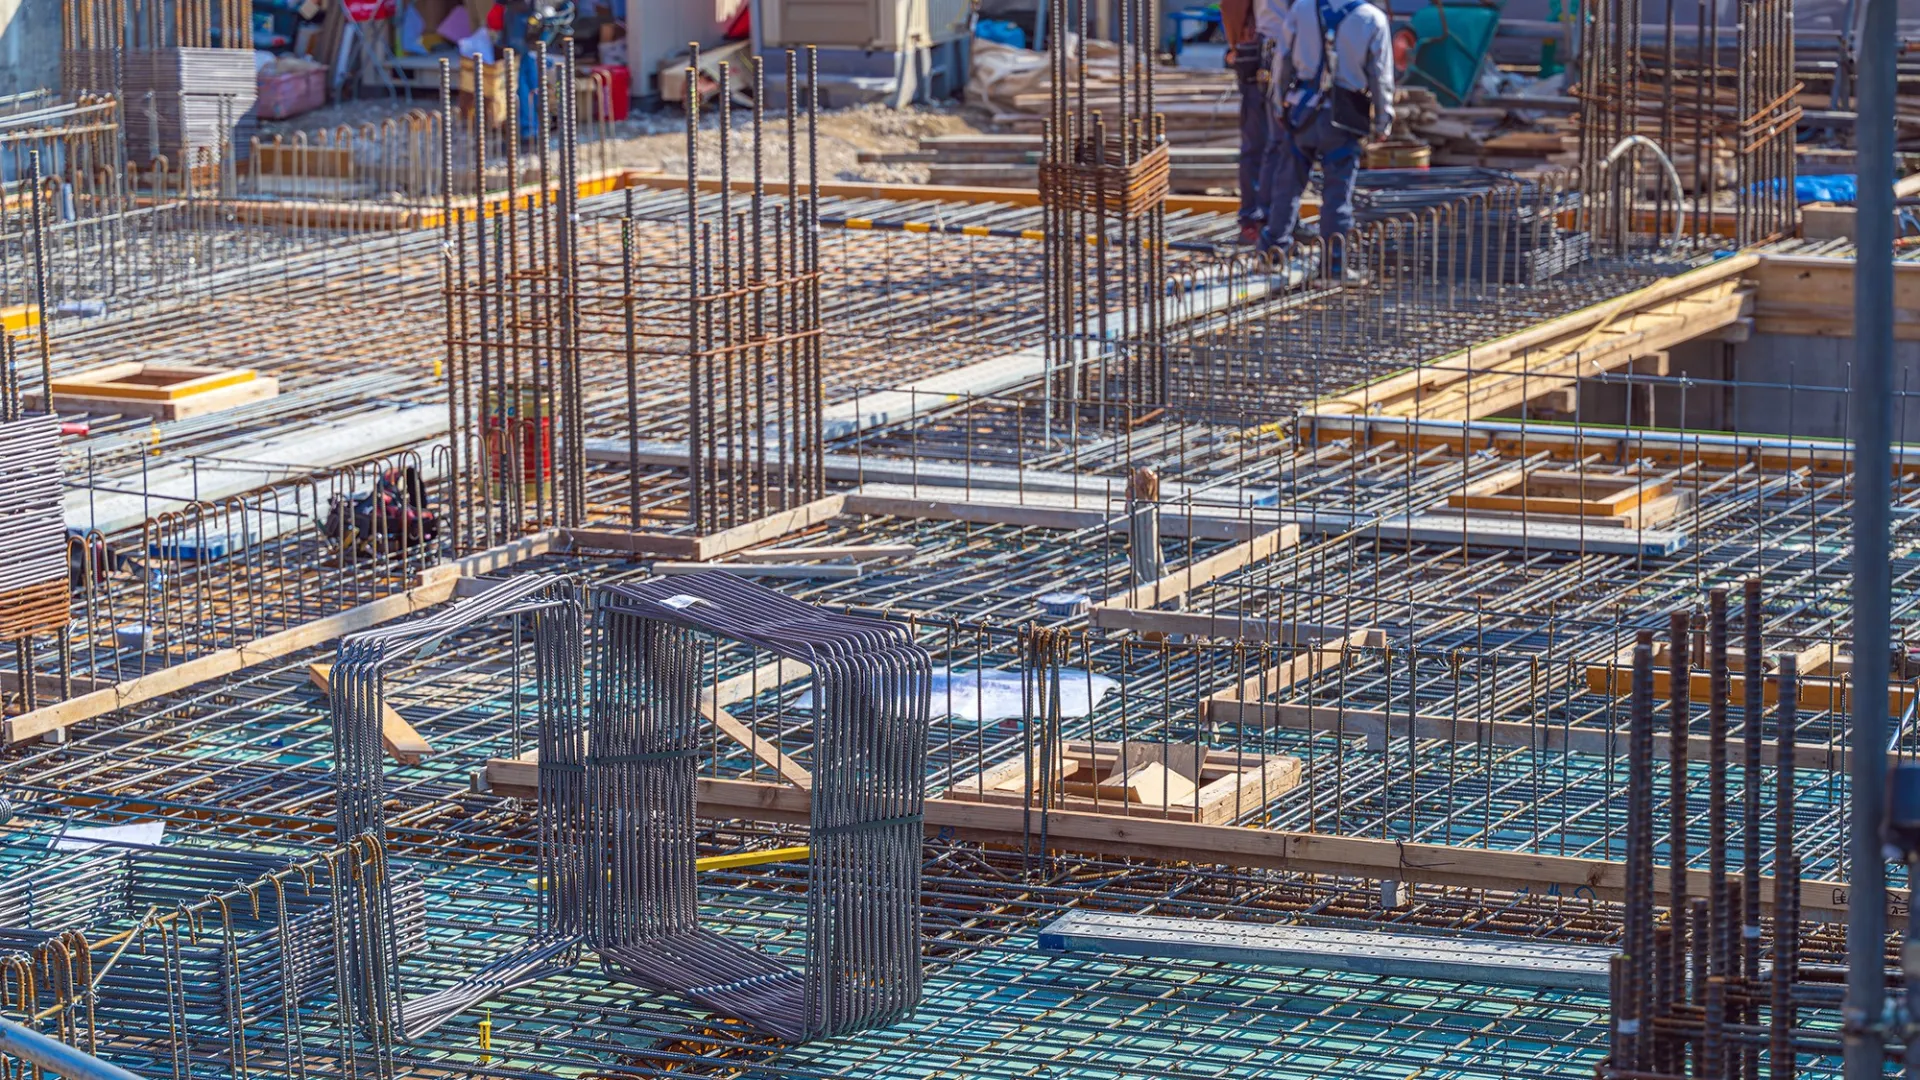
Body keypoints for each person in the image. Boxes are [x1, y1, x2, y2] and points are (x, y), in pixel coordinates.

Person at [1256, 0, 1394, 274]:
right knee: (1337, 194)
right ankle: (1333, 266)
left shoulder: (1303, 8)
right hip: (1344, 117)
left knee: (1288, 185)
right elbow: (1380, 75)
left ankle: (1272, 253)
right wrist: (1382, 120)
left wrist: (1279, 103)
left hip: (1302, 110)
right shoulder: (1372, 18)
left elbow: (1282, 60)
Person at [1220, 0, 1268, 245]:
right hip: (1260, 61)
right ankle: (1252, 220)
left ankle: (1274, 217)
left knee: (1282, 147)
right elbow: (1231, 6)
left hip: (1286, 58)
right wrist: (1237, 43)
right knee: (1257, 146)